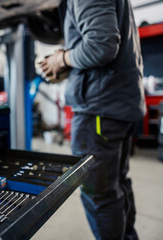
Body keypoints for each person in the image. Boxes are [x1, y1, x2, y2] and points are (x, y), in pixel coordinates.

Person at [41, 0, 146, 239]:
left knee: (99, 193)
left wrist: (62, 59)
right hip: (116, 105)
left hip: (99, 110)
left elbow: (101, 45)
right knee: (117, 185)